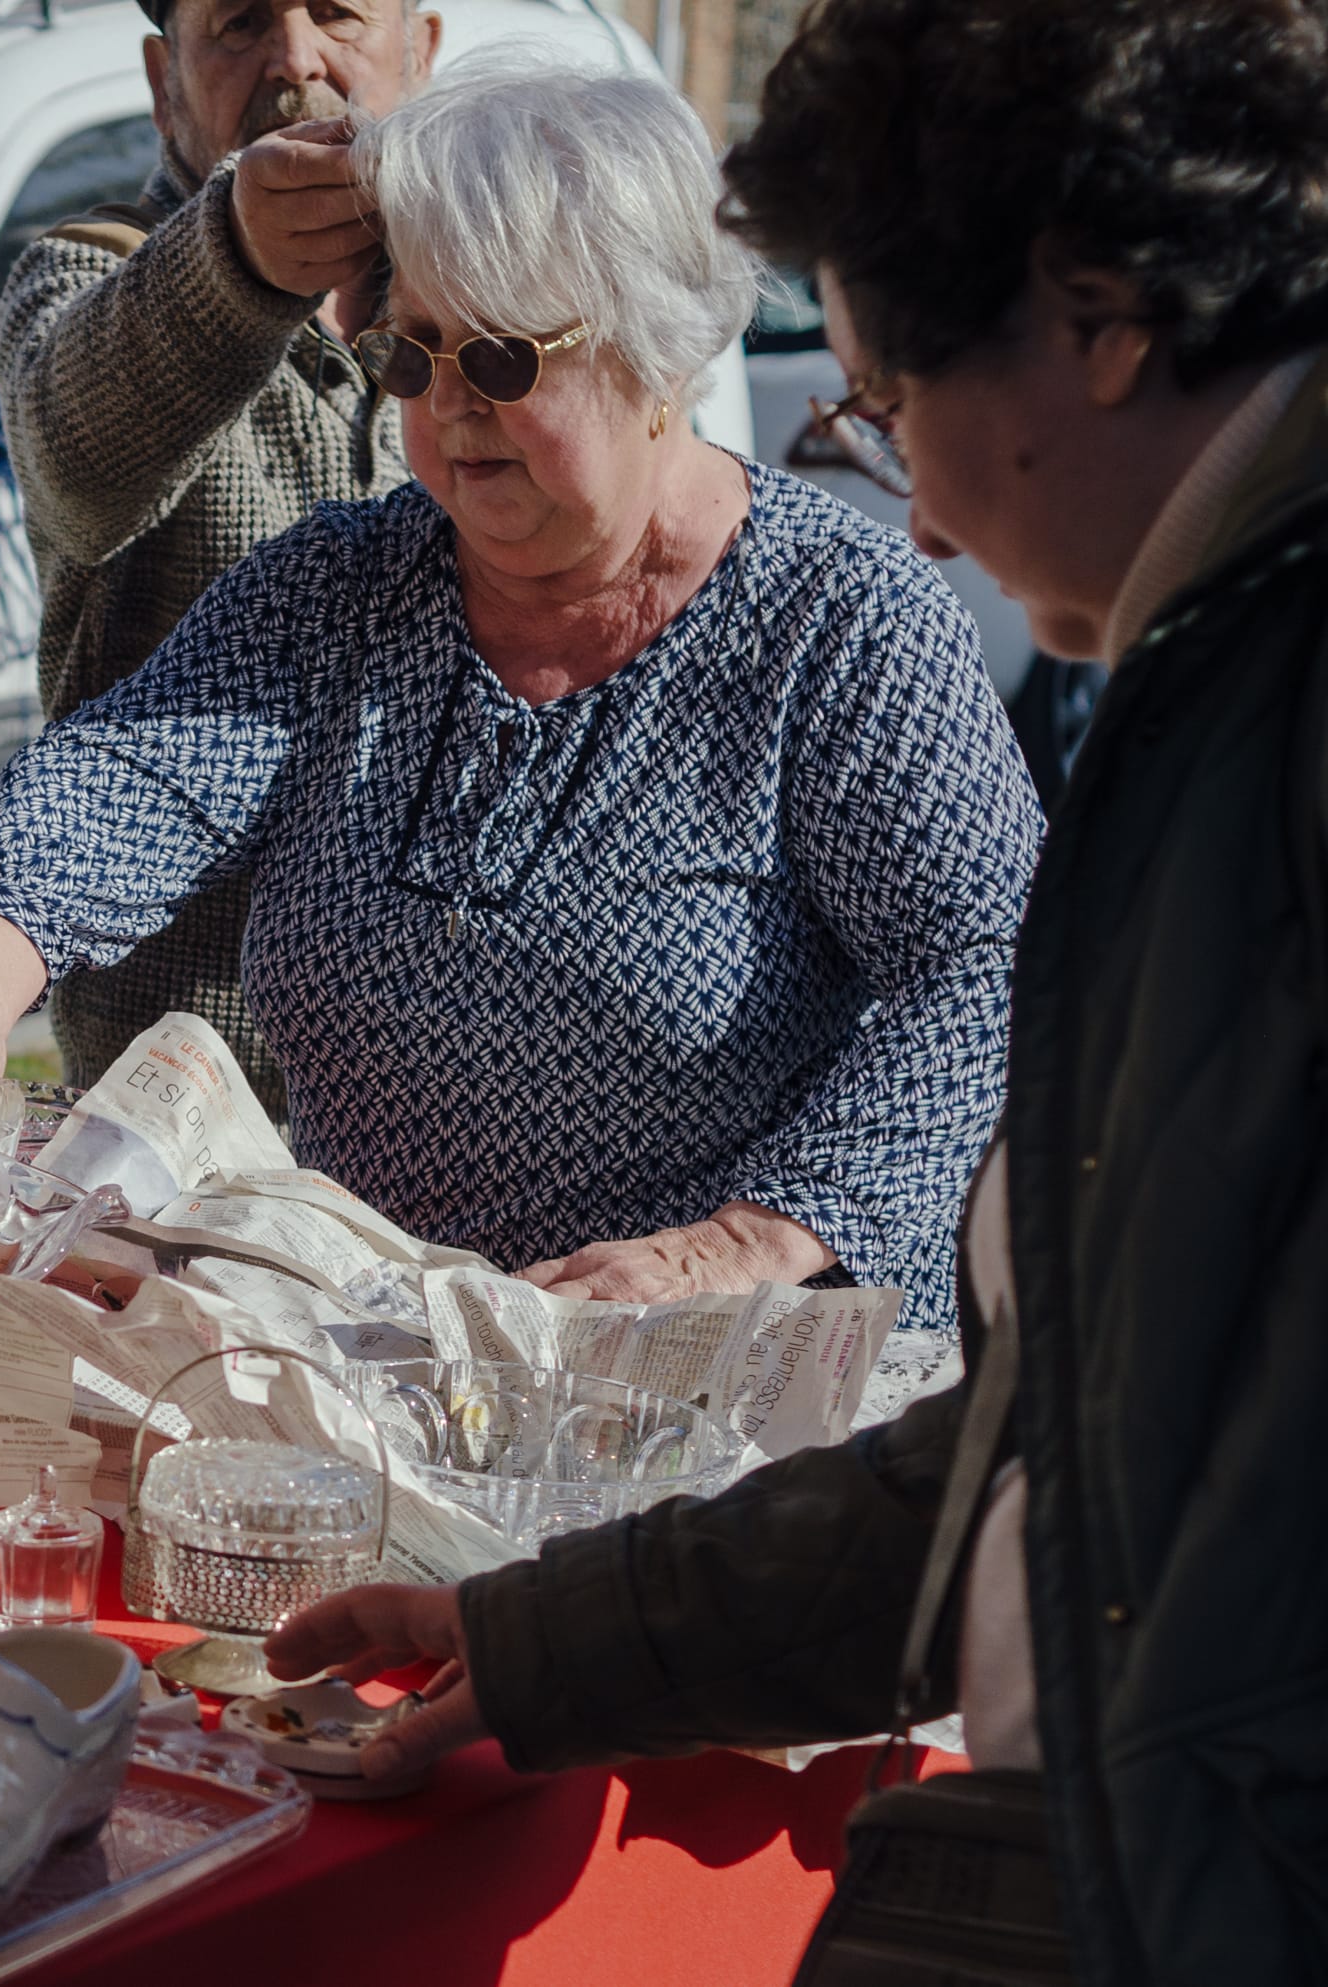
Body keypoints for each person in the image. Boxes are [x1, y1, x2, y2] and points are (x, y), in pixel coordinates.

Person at [265, 1, 1328, 1976]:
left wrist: (748, 1243)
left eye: (884, 404)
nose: (912, 509)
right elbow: (1055, 1455)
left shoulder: (1256, 707)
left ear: (1097, 319)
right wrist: (531, 1636)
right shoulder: (1213, 674)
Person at [0, 65, 1042, 1334]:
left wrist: (734, 1248)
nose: (451, 409)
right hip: (392, 1363)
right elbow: (122, 779)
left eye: (504, 358)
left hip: (716, 1377)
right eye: (413, 354)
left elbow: (987, 975)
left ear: (655, 349)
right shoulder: (347, 582)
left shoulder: (843, 623)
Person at [0, 0, 439, 1116]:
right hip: (178, 1102)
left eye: (337, 12)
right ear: (164, 80)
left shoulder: (483, 301)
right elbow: (73, 466)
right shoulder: (80, 276)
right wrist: (236, 258)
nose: (294, 58)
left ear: (422, 50)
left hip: (455, 1106)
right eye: (238, 22)